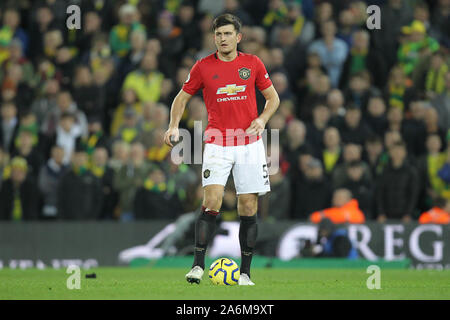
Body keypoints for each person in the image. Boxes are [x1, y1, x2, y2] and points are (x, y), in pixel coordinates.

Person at [164, 14, 279, 285]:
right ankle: (197, 266)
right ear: (213, 38)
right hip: (217, 142)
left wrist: (262, 120)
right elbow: (182, 97)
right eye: (218, 34)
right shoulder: (203, 67)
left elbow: (273, 98)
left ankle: (245, 273)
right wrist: (172, 126)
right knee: (212, 199)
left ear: (238, 37)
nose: (222, 39)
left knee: (248, 206)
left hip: (249, 144)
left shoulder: (252, 64)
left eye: (227, 34)